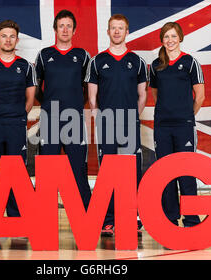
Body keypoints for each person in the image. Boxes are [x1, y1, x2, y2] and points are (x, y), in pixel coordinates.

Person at [85, 14, 148, 237]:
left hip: (130, 124)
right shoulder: (97, 61)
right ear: (108, 31)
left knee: (132, 171)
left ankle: (133, 216)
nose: (117, 32)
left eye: (121, 28)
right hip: (106, 124)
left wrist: (132, 118)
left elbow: (143, 96)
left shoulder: (138, 61)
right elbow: (92, 98)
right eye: (113, 28)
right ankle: (109, 219)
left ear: (127, 31)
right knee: (108, 173)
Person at [149, 22, 205, 228]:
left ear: (180, 37)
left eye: (173, 36)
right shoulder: (156, 65)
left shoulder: (191, 63)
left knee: (186, 172)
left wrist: (187, 116)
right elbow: (156, 96)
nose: (170, 40)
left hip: (184, 126)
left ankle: (191, 219)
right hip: (163, 126)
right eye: (166, 37)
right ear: (162, 40)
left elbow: (200, 96)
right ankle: (170, 220)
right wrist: (168, 113)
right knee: (165, 173)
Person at [0, 20, 37, 217]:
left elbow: (30, 99)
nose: (8, 40)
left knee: (16, 171)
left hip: (16, 125)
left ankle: (16, 215)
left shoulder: (26, 66)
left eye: (12, 36)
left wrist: (18, 115)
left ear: (17, 40)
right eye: (4, 36)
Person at [34, 9, 92, 210]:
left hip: (74, 119)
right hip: (50, 119)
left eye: (69, 26)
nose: (65, 29)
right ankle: (43, 217)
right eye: (61, 26)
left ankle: (86, 216)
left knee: (77, 169)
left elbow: (88, 88)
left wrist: (76, 103)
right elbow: (35, 88)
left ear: (74, 30)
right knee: (47, 169)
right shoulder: (44, 55)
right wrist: (48, 105)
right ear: (55, 29)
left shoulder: (83, 56)